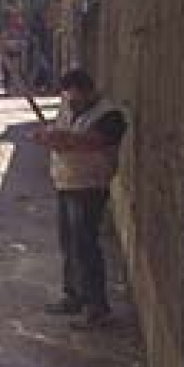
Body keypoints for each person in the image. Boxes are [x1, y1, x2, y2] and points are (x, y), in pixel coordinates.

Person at [30, 68, 127, 330]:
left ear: (88, 91)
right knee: (69, 244)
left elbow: (92, 142)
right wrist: (48, 136)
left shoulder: (110, 116)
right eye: (68, 98)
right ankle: (74, 295)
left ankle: (97, 307)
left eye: (76, 98)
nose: (71, 103)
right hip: (66, 183)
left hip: (90, 187)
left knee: (86, 247)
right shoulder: (68, 106)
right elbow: (61, 130)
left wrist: (61, 139)